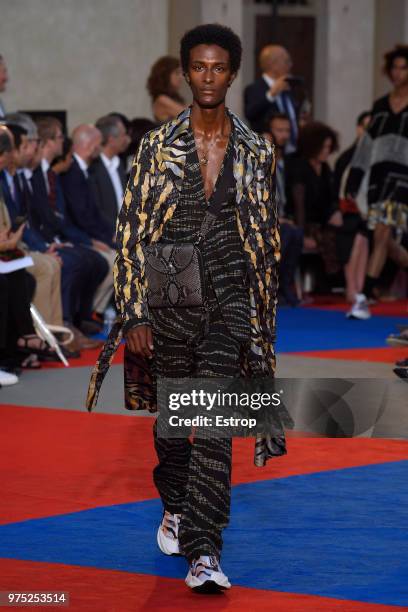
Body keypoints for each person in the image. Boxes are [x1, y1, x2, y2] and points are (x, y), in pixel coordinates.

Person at [87, 23, 287, 593]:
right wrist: (135, 313)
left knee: (216, 424)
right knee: (176, 424)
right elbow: (130, 233)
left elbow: (267, 241)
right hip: (170, 291)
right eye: (198, 66)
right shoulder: (155, 145)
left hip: (230, 296)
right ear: (185, 71)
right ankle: (173, 504)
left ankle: (205, 548)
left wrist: (262, 327)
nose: (207, 76)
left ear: (232, 72)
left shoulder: (256, 149)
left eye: (218, 67)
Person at [31, 116, 108, 347]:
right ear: (47, 142)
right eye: (59, 137)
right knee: (75, 261)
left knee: (95, 261)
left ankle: (79, 318)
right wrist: (48, 245)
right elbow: (33, 218)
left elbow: (59, 218)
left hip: (54, 238)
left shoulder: (50, 174)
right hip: (42, 242)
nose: (64, 141)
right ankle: (63, 325)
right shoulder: (35, 173)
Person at [346, 44, 408, 319]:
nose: (398, 73)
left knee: (382, 233)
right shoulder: (381, 106)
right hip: (380, 179)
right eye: (394, 67)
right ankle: (365, 296)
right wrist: (355, 179)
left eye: (404, 67)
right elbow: (366, 147)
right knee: (388, 242)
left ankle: (363, 297)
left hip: (404, 179)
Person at [60, 124, 116, 318]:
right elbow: (81, 216)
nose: (100, 149)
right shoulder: (71, 172)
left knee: (118, 258)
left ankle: (93, 312)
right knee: (114, 260)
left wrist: (111, 234)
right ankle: (89, 313)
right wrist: (102, 240)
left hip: (87, 234)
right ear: (91, 146)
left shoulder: (82, 170)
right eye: (99, 144)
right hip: (79, 236)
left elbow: (93, 213)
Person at [286, 121, 341, 285]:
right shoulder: (298, 166)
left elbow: (331, 198)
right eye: (323, 147)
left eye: (329, 147)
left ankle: (336, 283)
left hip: (322, 220)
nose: (327, 151)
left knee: (352, 231)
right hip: (303, 221)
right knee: (334, 237)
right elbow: (299, 206)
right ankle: (331, 281)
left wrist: (334, 212)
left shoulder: (325, 168)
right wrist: (302, 235)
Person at [333, 111, 371, 313]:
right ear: (358, 129)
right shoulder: (346, 158)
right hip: (346, 211)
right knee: (356, 233)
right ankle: (352, 287)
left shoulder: (374, 157)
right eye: (365, 127)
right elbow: (337, 190)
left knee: (365, 235)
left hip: (366, 212)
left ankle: (360, 288)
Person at [268, 112, 303, 305]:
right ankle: (276, 286)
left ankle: (286, 284)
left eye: (287, 131)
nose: (283, 135)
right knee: (287, 233)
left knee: (296, 232)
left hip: (283, 218)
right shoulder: (258, 159)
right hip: (264, 220)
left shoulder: (291, 163)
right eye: (279, 130)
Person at [244, 45, 299, 151]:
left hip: (291, 153)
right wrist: (271, 95)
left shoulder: (288, 88)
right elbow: (250, 113)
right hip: (267, 152)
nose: (290, 65)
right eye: (287, 61)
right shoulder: (255, 88)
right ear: (273, 64)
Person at [90, 115, 130, 235]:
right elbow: (95, 210)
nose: (127, 139)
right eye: (124, 134)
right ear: (112, 139)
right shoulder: (94, 168)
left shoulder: (118, 164)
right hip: (106, 235)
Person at [147, 56, 186, 123]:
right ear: (166, 75)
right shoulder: (162, 100)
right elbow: (189, 117)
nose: (181, 77)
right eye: (177, 73)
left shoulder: (174, 98)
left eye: (180, 73)